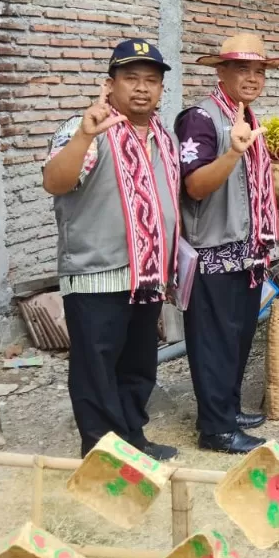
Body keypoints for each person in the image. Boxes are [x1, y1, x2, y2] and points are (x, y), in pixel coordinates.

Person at [42, 40, 181, 460]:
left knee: (138, 363)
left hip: (147, 275)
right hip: (96, 272)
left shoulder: (163, 137)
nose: (141, 88)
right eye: (131, 78)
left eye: (151, 80)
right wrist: (85, 135)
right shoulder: (85, 127)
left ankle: (133, 440)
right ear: (110, 84)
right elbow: (55, 182)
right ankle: (103, 454)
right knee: (96, 367)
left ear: (161, 89)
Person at [175, 33, 279, 455]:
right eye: (242, 69)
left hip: (247, 252)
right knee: (213, 342)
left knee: (237, 337)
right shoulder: (201, 118)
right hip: (214, 252)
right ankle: (215, 429)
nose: (252, 78)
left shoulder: (246, 116)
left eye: (259, 71)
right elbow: (194, 186)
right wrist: (233, 153)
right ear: (220, 71)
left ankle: (229, 410)